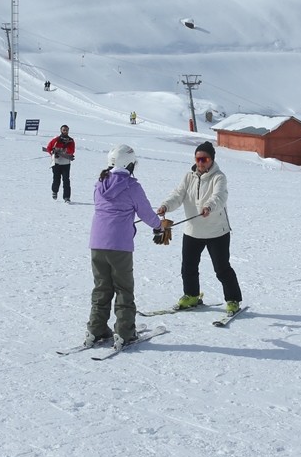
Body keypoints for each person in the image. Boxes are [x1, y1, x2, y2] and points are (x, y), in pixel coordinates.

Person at [84, 144, 165, 347]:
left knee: (102, 287)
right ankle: (125, 332)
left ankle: (96, 329)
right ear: (128, 164)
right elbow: (146, 213)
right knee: (123, 288)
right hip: (119, 245)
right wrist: (158, 227)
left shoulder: (99, 183)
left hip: (97, 243)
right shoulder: (131, 186)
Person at [158, 141, 244, 315]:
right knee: (188, 267)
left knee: (221, 268)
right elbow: (178, 194)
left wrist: (209, 207)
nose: (200, 162)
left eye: (204, 159)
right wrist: (166, 206)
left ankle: (233, 299)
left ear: (211, 159)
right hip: (193, 230)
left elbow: (219, 197)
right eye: (198, 159)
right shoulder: (188, 176)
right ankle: (191, 295)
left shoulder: (219, 177)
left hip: (216, 232)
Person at [45, 124, 75, 202]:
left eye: (66, 130)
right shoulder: (56, 139)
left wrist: (66, 148)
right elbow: (48, 148)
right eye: (64, 130)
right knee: (56, 179)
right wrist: (53, 153)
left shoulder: (71, 141)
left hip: (66, 164)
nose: (65, 131)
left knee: (66, 180)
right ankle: (54, 191)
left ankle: (67, 197)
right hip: (56, 163)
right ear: (61, 130)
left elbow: (72, 151)